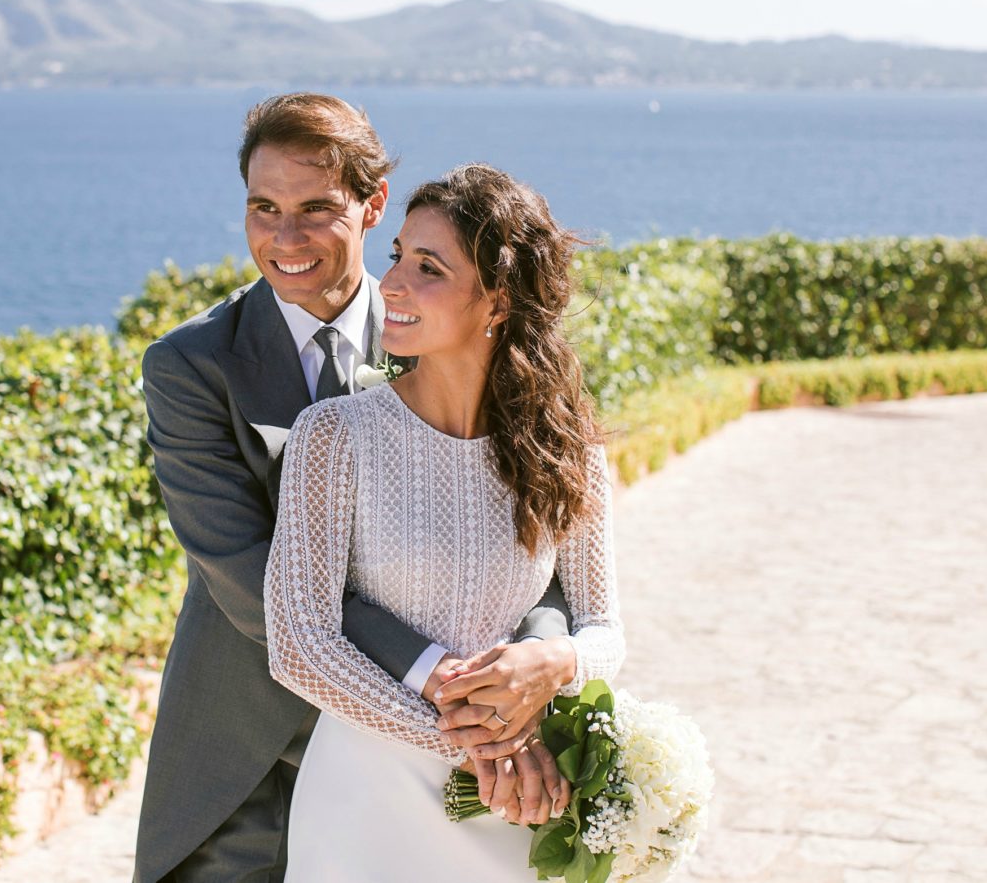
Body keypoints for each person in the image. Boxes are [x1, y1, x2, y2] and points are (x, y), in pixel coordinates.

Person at [134, 97, 577, 882]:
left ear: (373, 206)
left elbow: (533, 535)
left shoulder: (443, 327)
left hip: (426, 760)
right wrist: (447, 690)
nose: (284, 238)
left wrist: (539, 655)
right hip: (250, 753)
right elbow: (252, 582)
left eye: (315, 209)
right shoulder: (191, 366)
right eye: (263, 208)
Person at [264, 164, 626, 880]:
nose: (391, 283)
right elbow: (298, 641)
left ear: (496, 300)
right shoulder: (334, 435)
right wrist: (480, 743)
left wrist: (557, 663)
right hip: (369, 802)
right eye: (396, 253)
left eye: (427, 267)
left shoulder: (568, 448)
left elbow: (605, 628)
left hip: (508, 806)